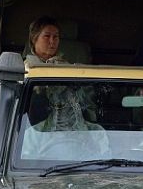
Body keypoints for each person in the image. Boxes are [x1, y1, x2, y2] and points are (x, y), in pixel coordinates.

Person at [22, 16, 110, 159]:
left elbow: (86, 101)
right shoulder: (25, 69)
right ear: (34, 39)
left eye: (56, 37)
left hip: (75, 123)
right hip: (40, 125)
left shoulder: (68, 68)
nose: (52, 41)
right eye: (47, 36)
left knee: (99, 133)